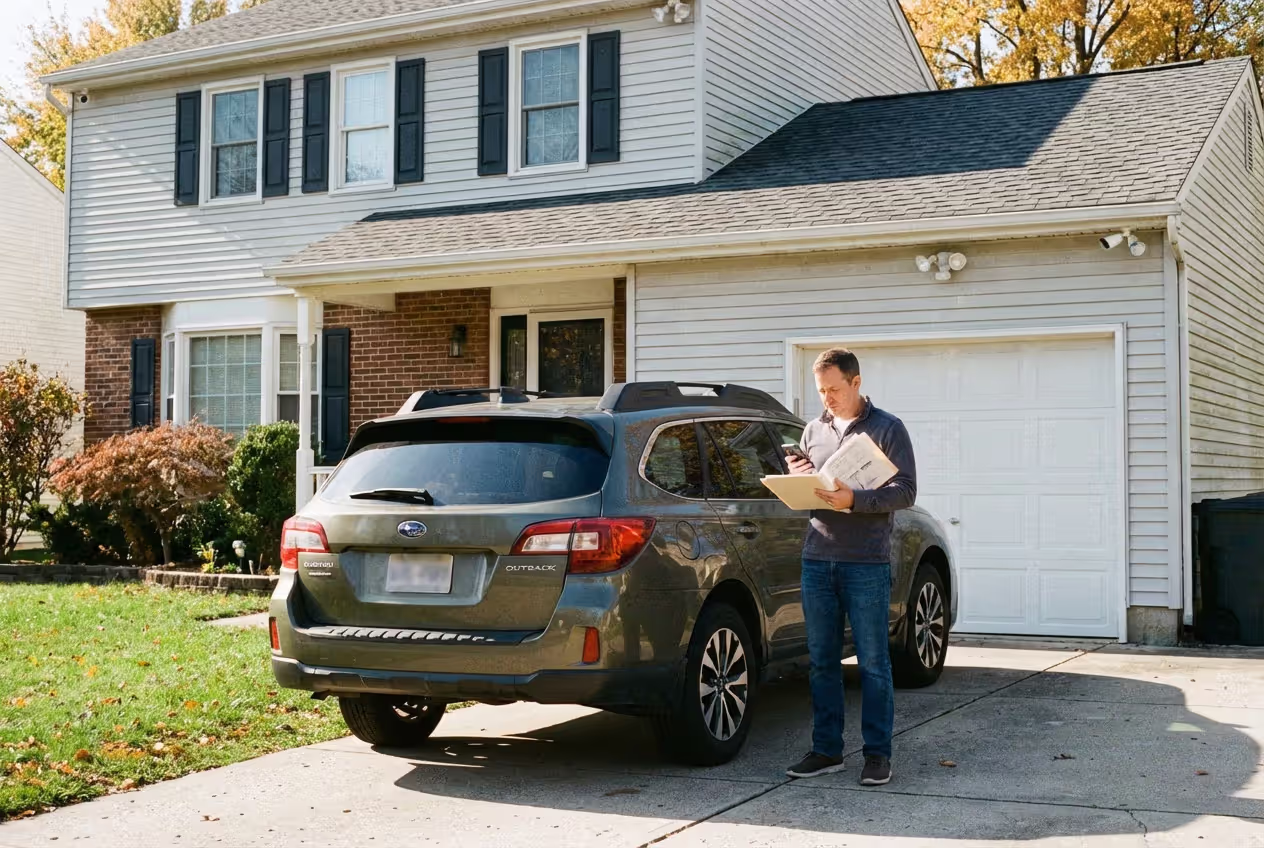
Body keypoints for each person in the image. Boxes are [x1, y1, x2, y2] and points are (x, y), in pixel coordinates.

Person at [784, 348, 917, 786]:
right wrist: (799, 479)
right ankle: (827, 751)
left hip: (866, 563)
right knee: (822, 662)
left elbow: (906, 491)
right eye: (821, 391)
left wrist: (854, 500)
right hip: (817, 559)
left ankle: (877, 755)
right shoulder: (813, 431)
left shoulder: (888, 428)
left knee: (874, 663)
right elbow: (812, 491)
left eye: (834, 389)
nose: (827, 398)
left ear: (856, 383)